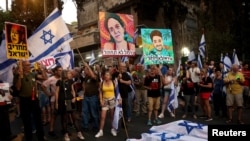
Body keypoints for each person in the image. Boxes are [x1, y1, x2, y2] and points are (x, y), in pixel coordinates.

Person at [13, 60, 45, 141]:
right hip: (24, 100)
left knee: (38, 118)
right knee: (27, 120)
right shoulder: (17, 76)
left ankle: (41, 137)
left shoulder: (33, 74)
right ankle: (29, 137)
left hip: (34, 99)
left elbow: (44, 78)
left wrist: (42, 69)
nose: (29, 66)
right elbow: (18, 88)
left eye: (29, 64)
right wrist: (20, 76)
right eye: (27, 65)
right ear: (22, 66)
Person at [55, 70, 84, 141]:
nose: (70, 74)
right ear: (64, 74)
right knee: (64, 118)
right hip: (62, 102)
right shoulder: (59, 82)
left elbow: (72, 90)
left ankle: (79, 133)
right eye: (68, 73)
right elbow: (56, 92)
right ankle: (66, 134)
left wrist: (74, 97)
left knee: (74, 118)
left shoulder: (71, 81)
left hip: (70, 101)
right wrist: (56, 103)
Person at [95, 70, 118, 138]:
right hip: (104, 100)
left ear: (110, 76)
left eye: (108, 75)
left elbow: (117, 92)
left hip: (112, 100)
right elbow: (100, 92)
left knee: (112, 116)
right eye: (105, 75)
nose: (106, 76)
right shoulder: (101, 83)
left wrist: (119, 99)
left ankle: (113, 129)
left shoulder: (114, 82)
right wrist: (101, 100)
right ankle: (101, 131)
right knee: (102, 117)